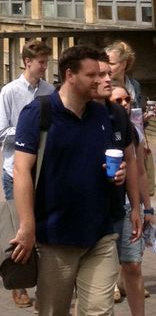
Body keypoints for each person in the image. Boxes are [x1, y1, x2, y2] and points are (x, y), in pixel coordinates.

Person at [11, 44, 123, 316]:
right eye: (92, 75)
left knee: (99, 310)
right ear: (70, 75)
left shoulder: (101, 114)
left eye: (101, 74)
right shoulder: (39, 113)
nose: (100, 80)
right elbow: (21, 170)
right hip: (55, 238)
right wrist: (27, 227)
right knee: (53, 311)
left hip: (100, 234)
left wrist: (117, 176)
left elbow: (105, 162)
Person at [0, 38, 54, 308]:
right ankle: (18, 285)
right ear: (28, 62)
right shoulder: (10, 91)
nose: (44, 67)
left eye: (46, 62)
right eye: (41, 62)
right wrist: (27, 132)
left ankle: (44, 282)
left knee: (41, 224)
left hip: (43, 169)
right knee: (19, 226)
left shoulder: (50, 91)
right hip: (14, 169)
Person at [95, 53, 142, 305]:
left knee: (132, 266)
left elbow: (136, 167)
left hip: (120, 207)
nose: (105, 79)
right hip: (88, 212)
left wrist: (141, 208)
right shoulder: (81, 115)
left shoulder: (122, 118)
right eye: (98, 75)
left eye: (128, 99)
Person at [110, 82, 153, 315]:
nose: (125, 104)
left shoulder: (134, 131)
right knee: (101, 270)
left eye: (127, 100)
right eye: (118, 101)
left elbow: (140, 172)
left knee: (133, 265)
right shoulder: (102, 127)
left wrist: (147, 209)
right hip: (107, 207)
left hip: (130, 208)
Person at [106, 41, 142, 107]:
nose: (107, 67)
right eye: (105, 63)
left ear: (123, 64)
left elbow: (136, 112)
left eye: (111, 64)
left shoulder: (134, 85)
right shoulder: (103, 85)